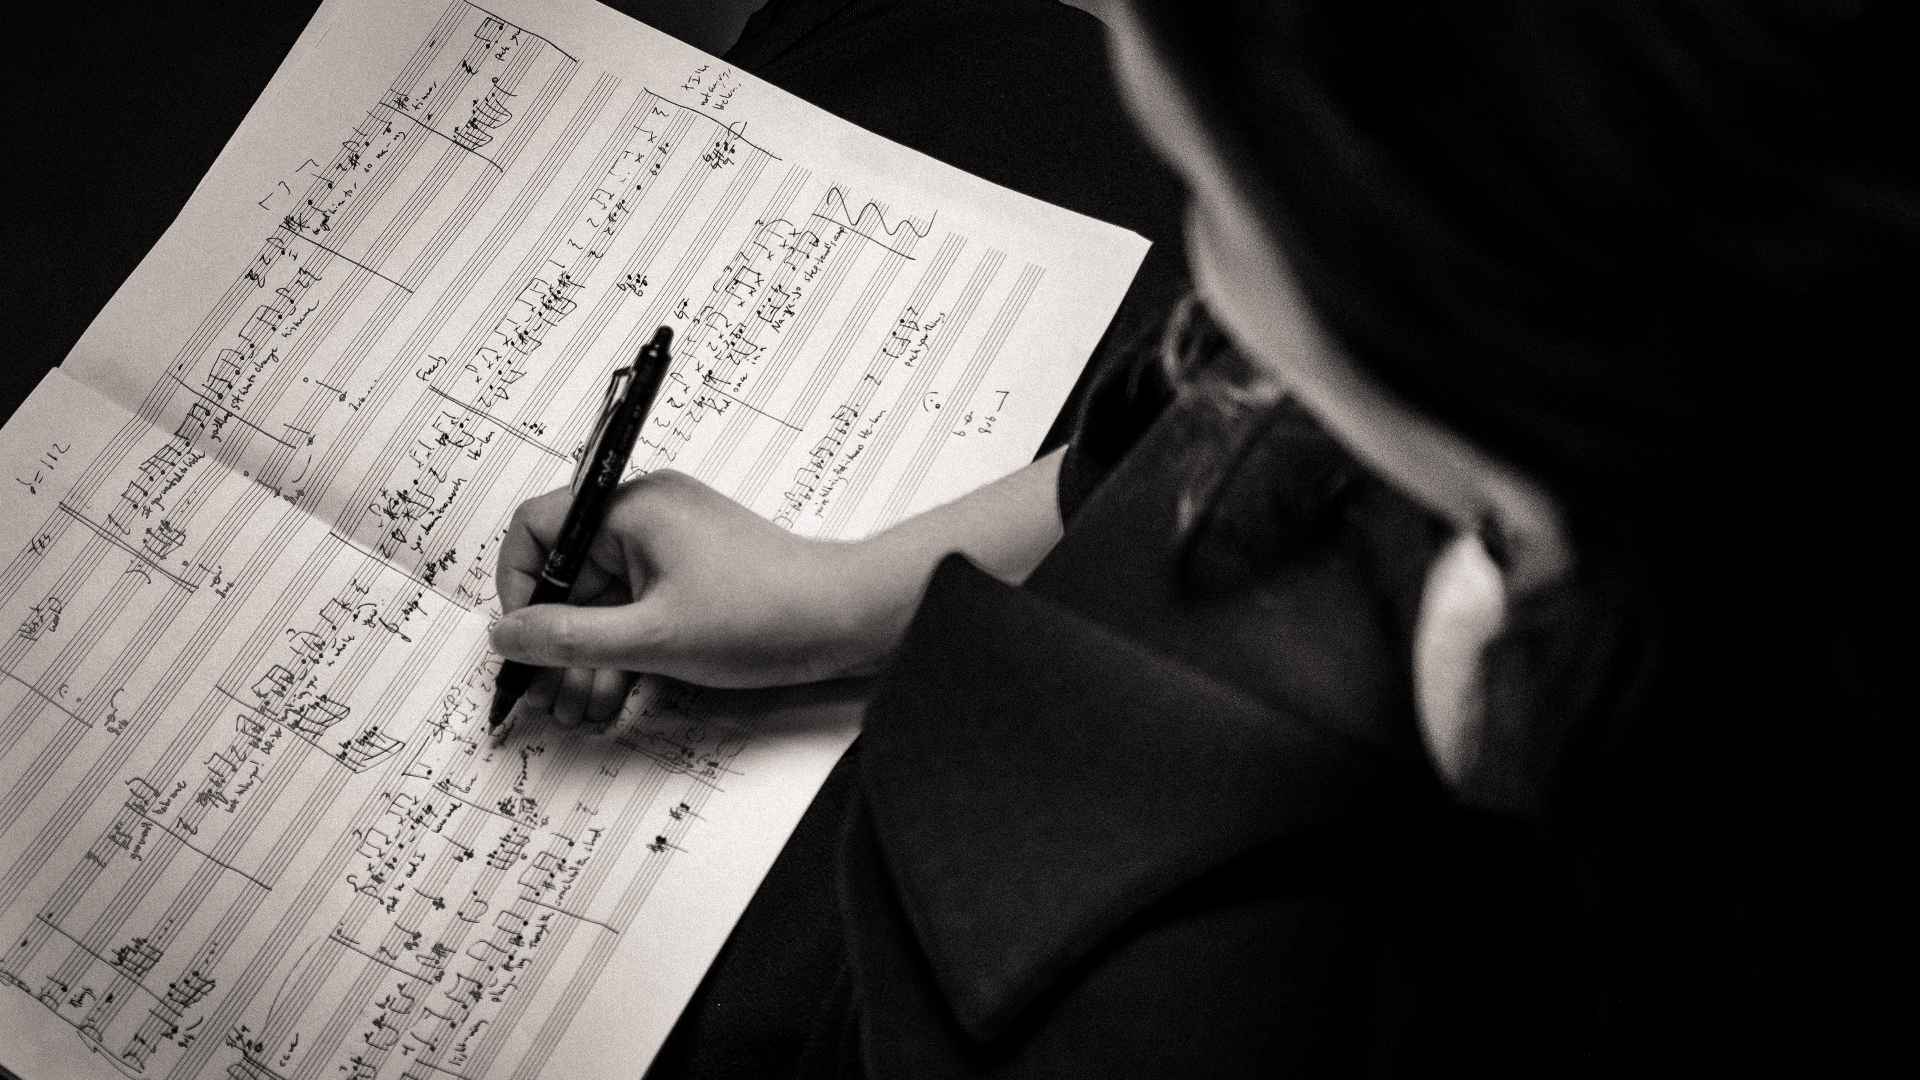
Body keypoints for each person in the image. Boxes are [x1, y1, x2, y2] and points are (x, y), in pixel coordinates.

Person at [492, 0, 1908, 1074]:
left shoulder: (1225, 999)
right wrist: (842, 596)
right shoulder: (1651, 401)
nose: (1210, 318)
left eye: (1216, 195)